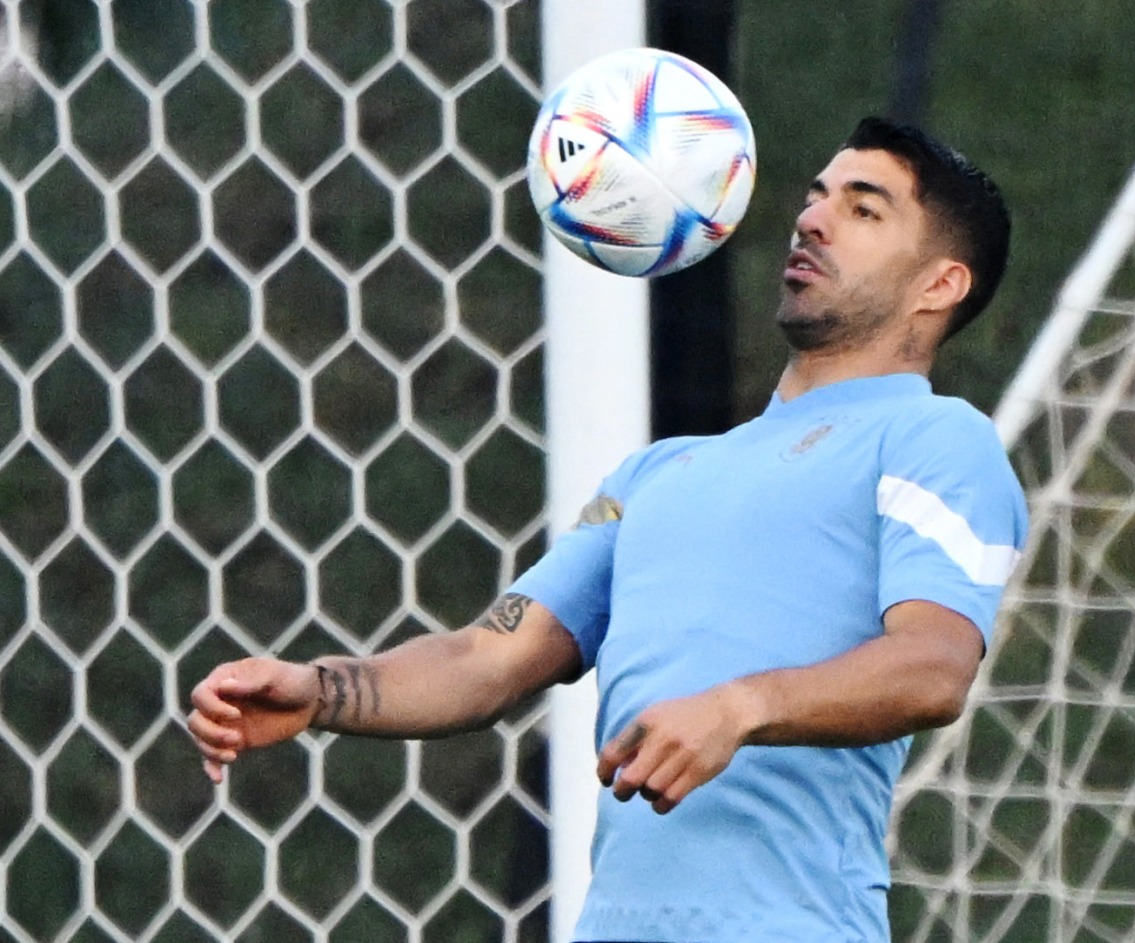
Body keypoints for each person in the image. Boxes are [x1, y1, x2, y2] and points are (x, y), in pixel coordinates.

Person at [188, 116, 1028, 942]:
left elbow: (933, 666)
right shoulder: (655, 475)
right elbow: (488, 658)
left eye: (864, 208)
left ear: (939, 286)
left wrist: (740, 706)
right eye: (818, 196)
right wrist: (324, 690)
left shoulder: (934, 437)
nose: (812, 218)